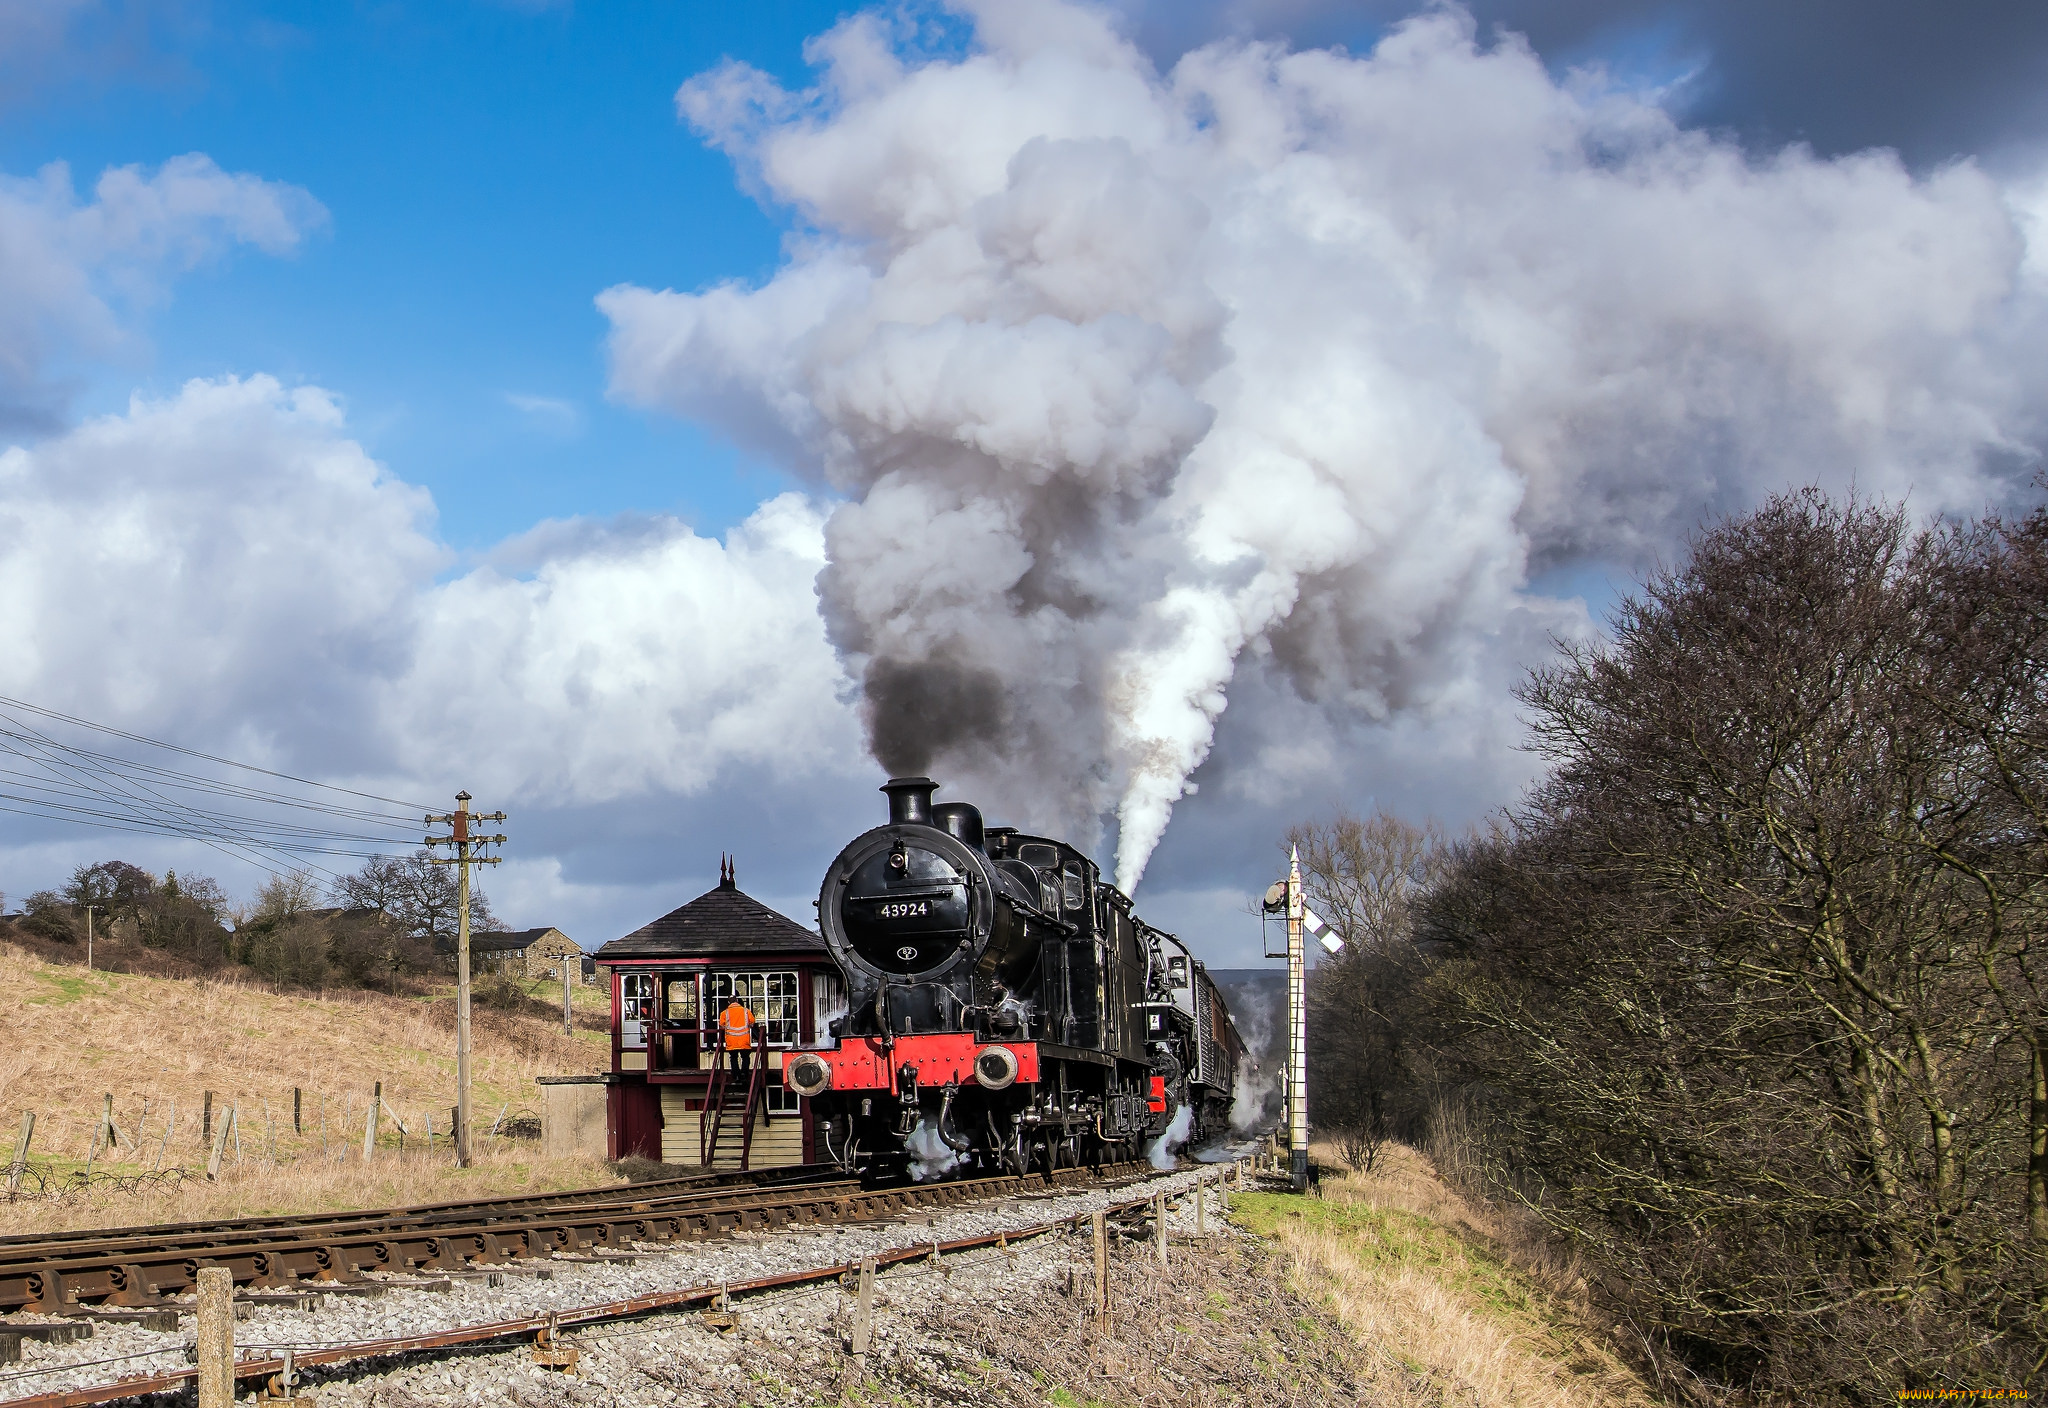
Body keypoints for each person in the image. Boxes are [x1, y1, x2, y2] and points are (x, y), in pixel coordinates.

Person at [719, 997, 754, 1077]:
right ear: (737, 1001)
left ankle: (736, 1075)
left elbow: (721, 1026)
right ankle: (744, 1073)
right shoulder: (746, 1011)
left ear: (728, 1002)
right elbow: (752, 1023)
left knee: (733, 1057)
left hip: (732, 1040)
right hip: (744, 1039)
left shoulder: (724, 1013)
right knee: (745, 1057)